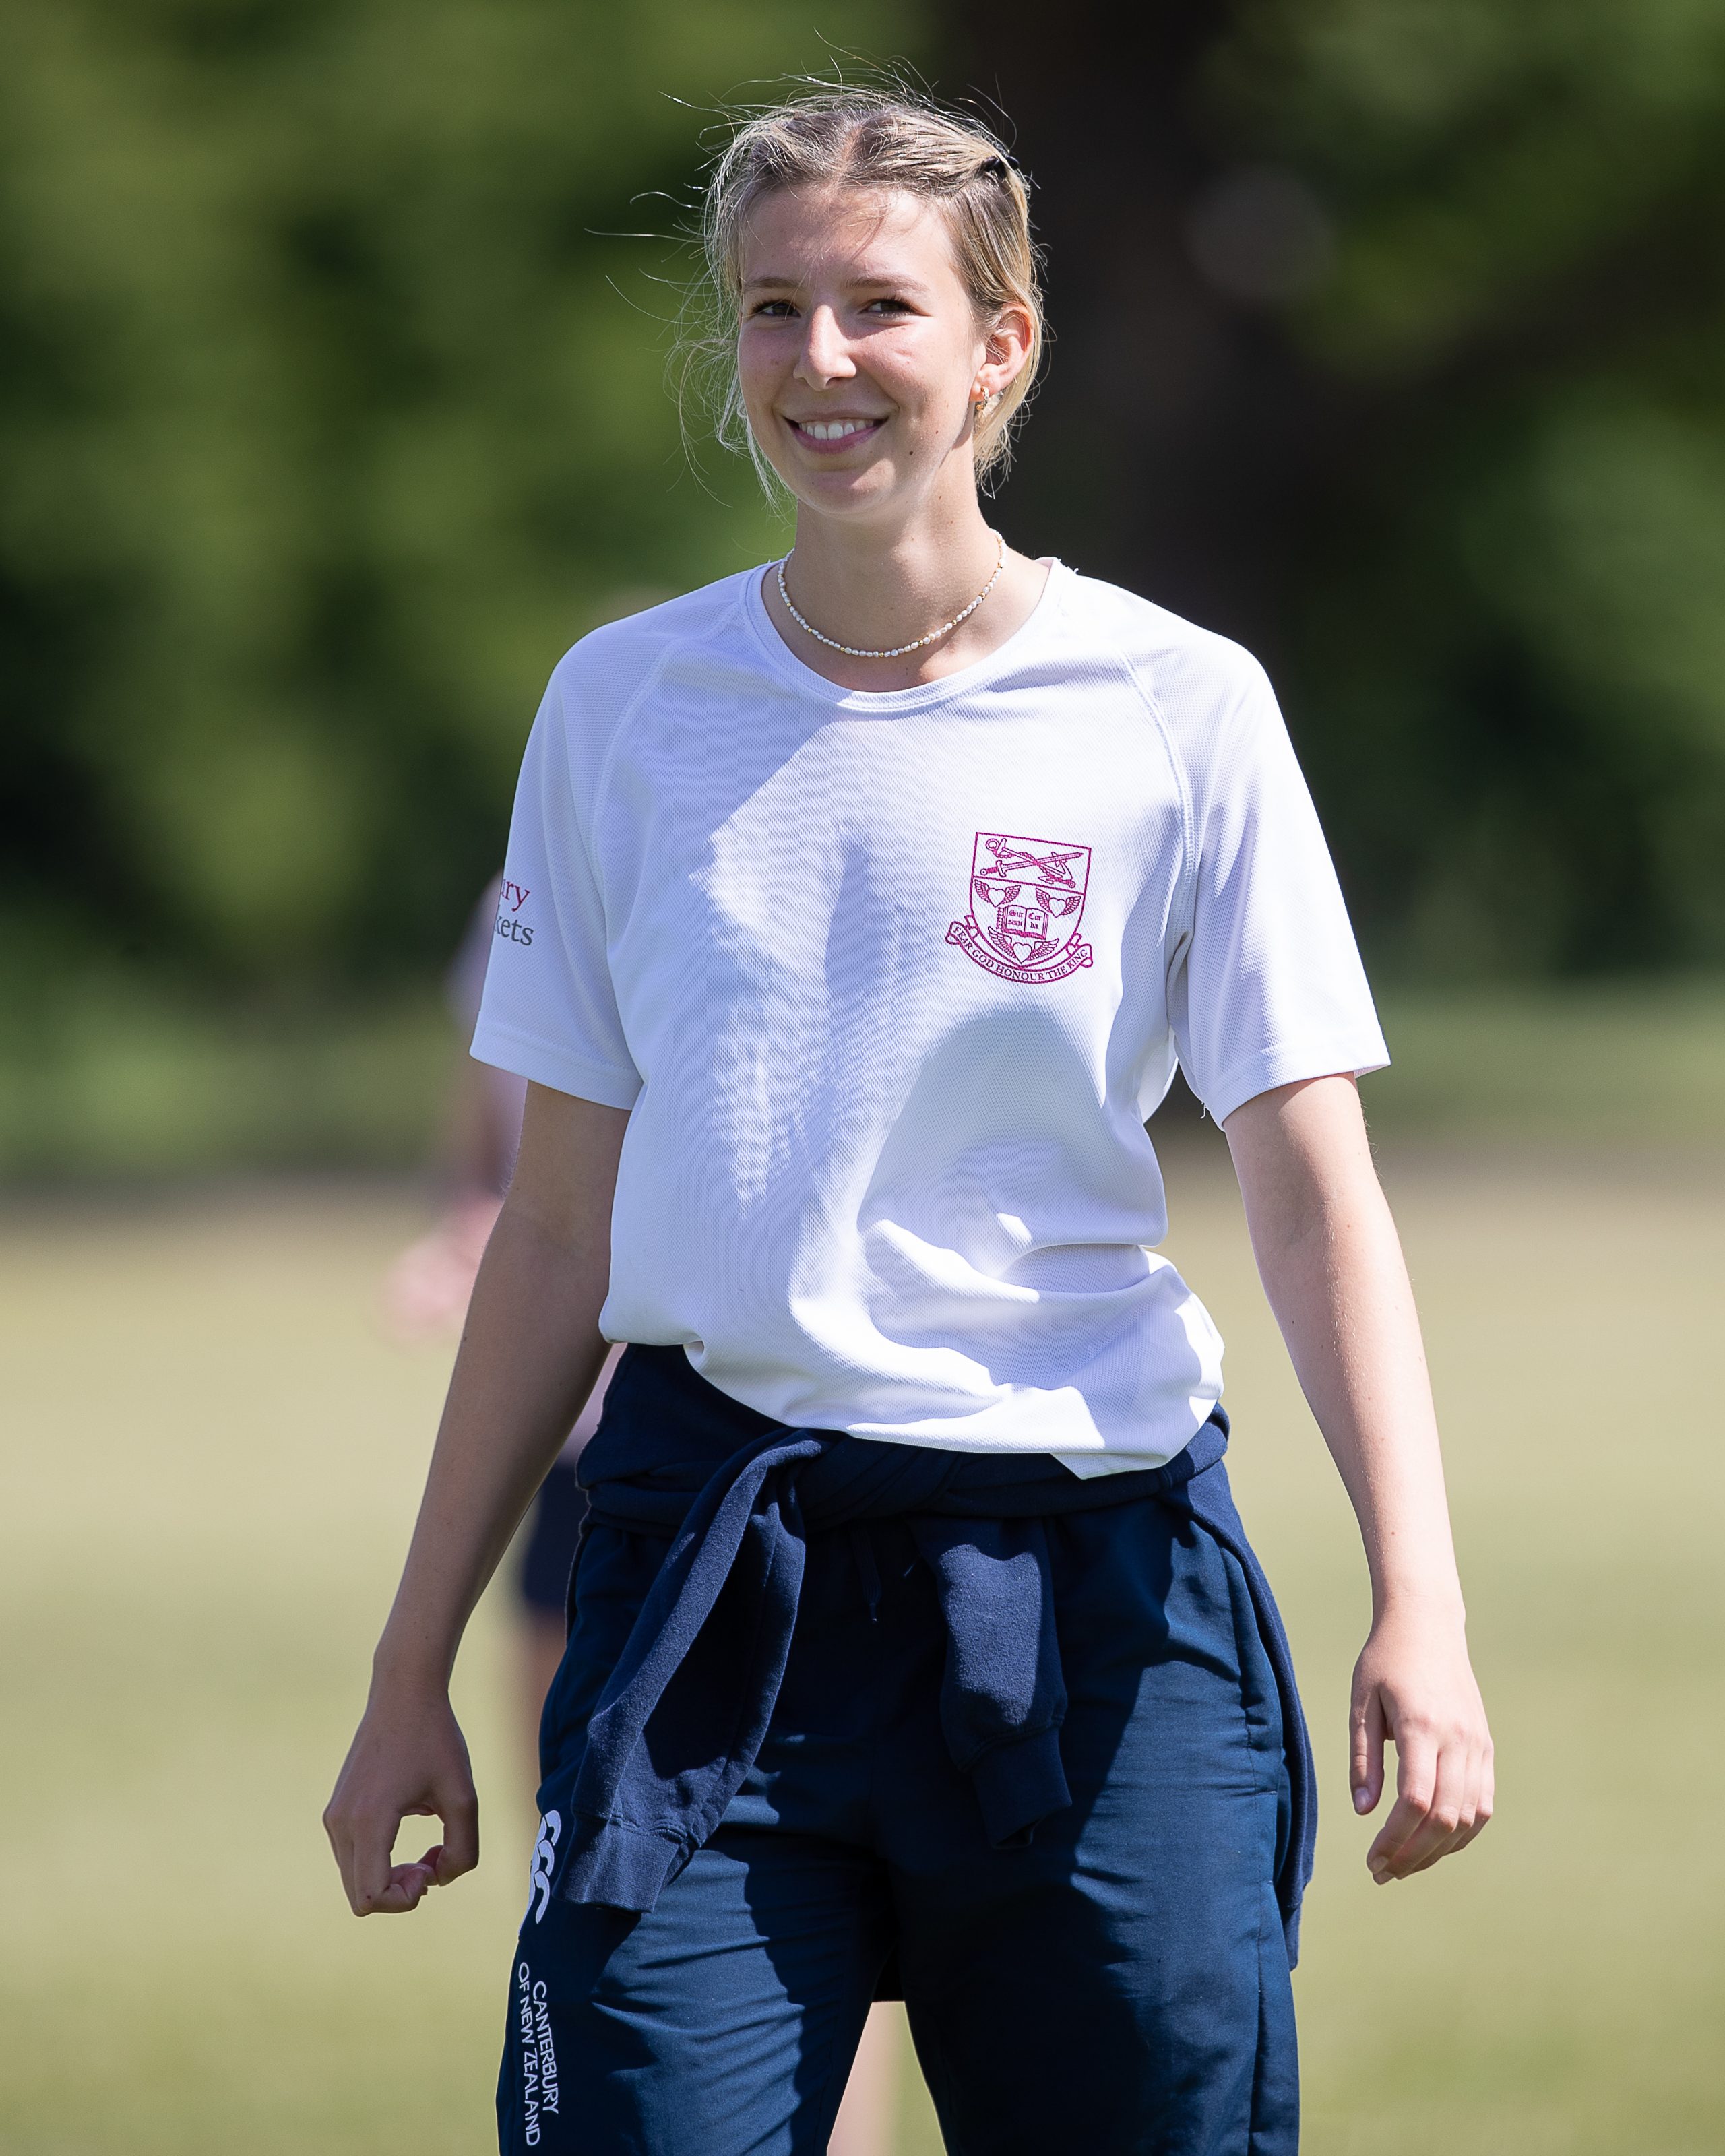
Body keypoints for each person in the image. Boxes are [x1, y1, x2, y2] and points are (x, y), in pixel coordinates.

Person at [325, 88, 1493, 2156]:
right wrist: (411, 1662)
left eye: (880, 305)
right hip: (710, 1576)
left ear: (1002, 343)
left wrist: (1425, 1601)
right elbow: (557, 1234)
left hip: (1097, 1590)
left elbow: (1318, 1202)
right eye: (774, 310)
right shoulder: (622, 706)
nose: (823, 359)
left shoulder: (1181, 707)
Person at [379, 874, 904, 2155]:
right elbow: (491, 1150)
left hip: (752, 1449)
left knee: (822, 1873)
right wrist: (462, 1236)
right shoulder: (533, 881)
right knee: (580, 1845)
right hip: (584, 1461)